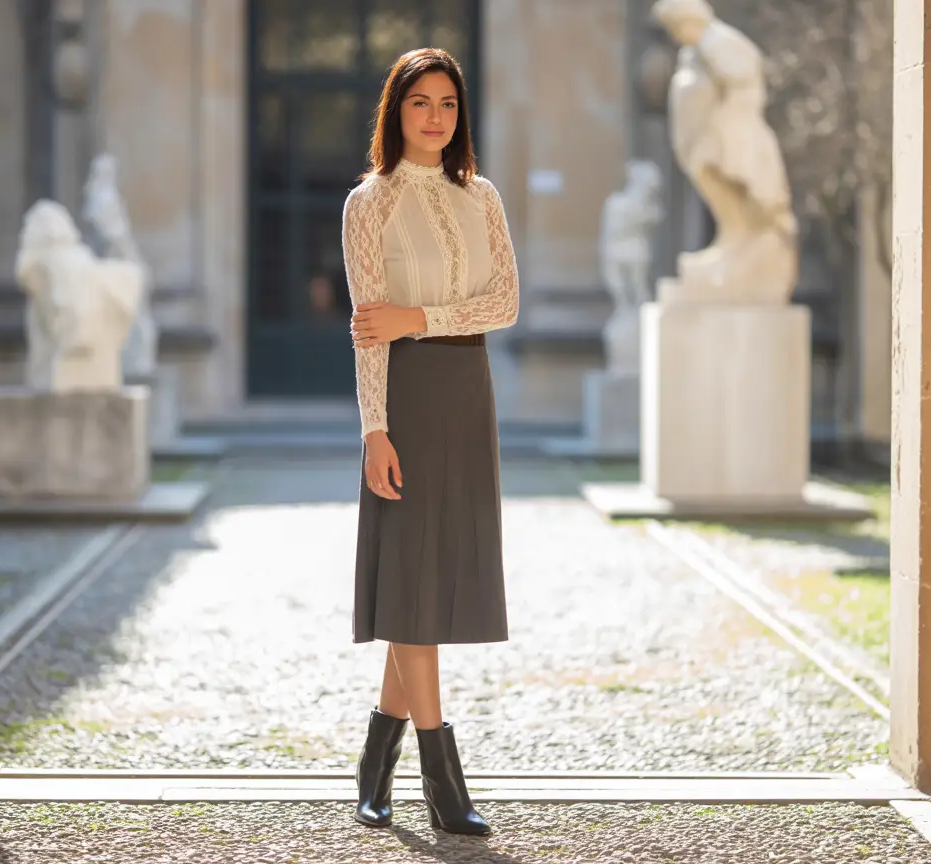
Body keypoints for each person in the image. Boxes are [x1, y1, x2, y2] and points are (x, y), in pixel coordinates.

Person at [340, 47, 519, 836]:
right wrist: (374, 429)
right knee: (416, 578)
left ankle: (374, 762)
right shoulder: (368, 203)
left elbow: (505, 301)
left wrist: (422, 317)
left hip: (467, 393)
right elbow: (367, 332)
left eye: (448, 103)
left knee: (428, 580)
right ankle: (443, 777)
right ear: (397, 111)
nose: (436, 117)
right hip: (406, 400)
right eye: (421, 103)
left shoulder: (483, 197)